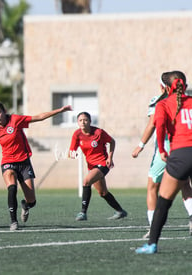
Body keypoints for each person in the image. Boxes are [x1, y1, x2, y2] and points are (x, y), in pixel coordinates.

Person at [0, 102, 72, 231]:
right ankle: (13, 221)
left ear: (4, 111)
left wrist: (60, 110)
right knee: (12, 187)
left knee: (32, 201)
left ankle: (25, 205)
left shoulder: (15, 120)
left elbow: (39, 117)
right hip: (8, 163)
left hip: (24, 163)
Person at [136, 71, 192, 254]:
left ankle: (152, 244)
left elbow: (158, 126)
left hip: (181, 154)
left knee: (163, 201)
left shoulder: (163, 103)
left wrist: (161, 150)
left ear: (167, 87)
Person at [69, 112, 127, 221]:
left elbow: (112, 142)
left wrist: (110, 157)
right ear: (77, 122)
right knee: (102, 192)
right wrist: (73, 154)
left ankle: (83, 213)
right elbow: (71, 151)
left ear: (90, 121)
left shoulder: (98, 132)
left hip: (103, 163)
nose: (83, 122)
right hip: (91, 166)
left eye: (85, 120)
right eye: (80, 120)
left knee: (86, 181)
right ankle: (120, 211)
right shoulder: (77, 134)